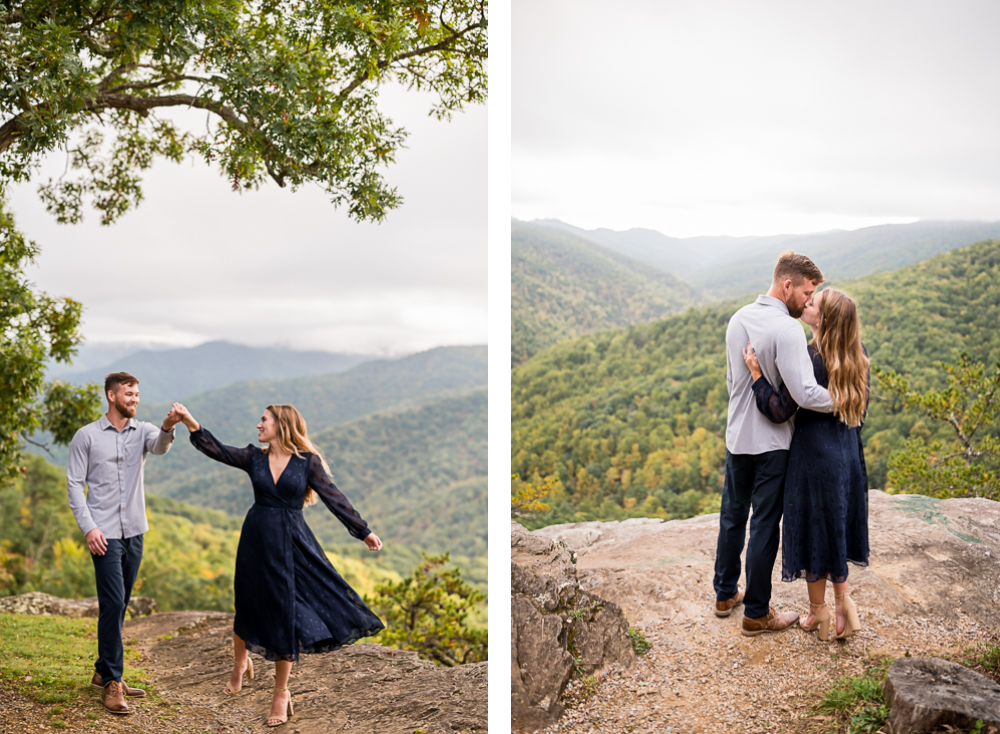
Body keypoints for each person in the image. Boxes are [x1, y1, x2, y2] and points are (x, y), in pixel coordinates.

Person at [169, 402, 385, 728]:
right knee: (247, 600)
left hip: (291, 543)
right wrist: (188, 421)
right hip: (255, 537)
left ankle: (280, 692)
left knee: (284, 611)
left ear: (281, 425)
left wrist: (363, 530)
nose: (258, 425)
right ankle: (240, 663)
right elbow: (217, 450)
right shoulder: (254, 457)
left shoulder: (307, 463)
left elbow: (333, 497)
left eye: (264, 420)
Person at [713, 251, 835, 637]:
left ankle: (724, 593)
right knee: (764, 523)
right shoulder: (787, 330)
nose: (808, 300)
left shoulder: (738, 319)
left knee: (733, 516)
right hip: (772, 444)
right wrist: (843, 401)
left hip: (737, 437)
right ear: (788, 285)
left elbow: (735, 381)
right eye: (807, 291)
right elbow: (805, 393)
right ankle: (756, 612)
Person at [743, 287, 870, 640]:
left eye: (813, 303)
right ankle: (845, 607)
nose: (806, 304)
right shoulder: (858, 354)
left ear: (823, 319)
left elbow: (780, 408)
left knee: (814, 531)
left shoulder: (811, 356)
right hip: (847, 456)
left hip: (812, 457)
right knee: (837, 530)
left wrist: (756, 376)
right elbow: (861, 410)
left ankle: (819, 615)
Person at [66, 372, 183, 715]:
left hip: (135, 531)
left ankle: (102, 669)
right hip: (103, 535)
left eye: (137, 394)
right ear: (111, 396)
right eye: (129, 394)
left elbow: (160, 448)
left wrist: (168, 426)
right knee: (114, 603)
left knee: (120, 603)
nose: (135, 399)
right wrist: (88, 528)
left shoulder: (144, 430)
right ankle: (113, 683)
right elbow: (74, 485)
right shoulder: (86, 436)